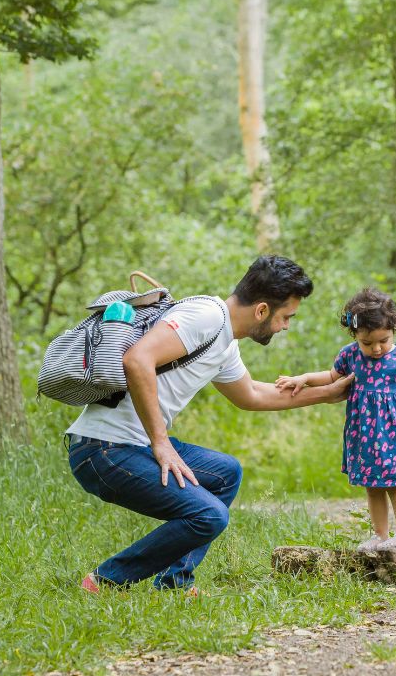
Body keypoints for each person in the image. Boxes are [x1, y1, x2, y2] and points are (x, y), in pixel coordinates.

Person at [66, 255, 354, 595]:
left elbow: (251, 395)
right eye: (286, 316)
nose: (286, 326)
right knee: (209, 516)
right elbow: (137, 359)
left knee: (226, 472)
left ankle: (174, 582)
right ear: (262, 310)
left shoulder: (224, 339)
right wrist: (161, 442)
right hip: (102, 450)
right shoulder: (205, 316)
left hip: (129, 446)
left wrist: (327, 393)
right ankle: (105, 580)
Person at [276, 287, 396, 551]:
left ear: (394, 328)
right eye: (367, 342)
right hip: (364, 434)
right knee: (372, 486)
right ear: (355, 335)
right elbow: (330, 377)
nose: (376, 348)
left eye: (383, 340)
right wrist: (303, 378)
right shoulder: (350, 355)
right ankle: (381, 537)